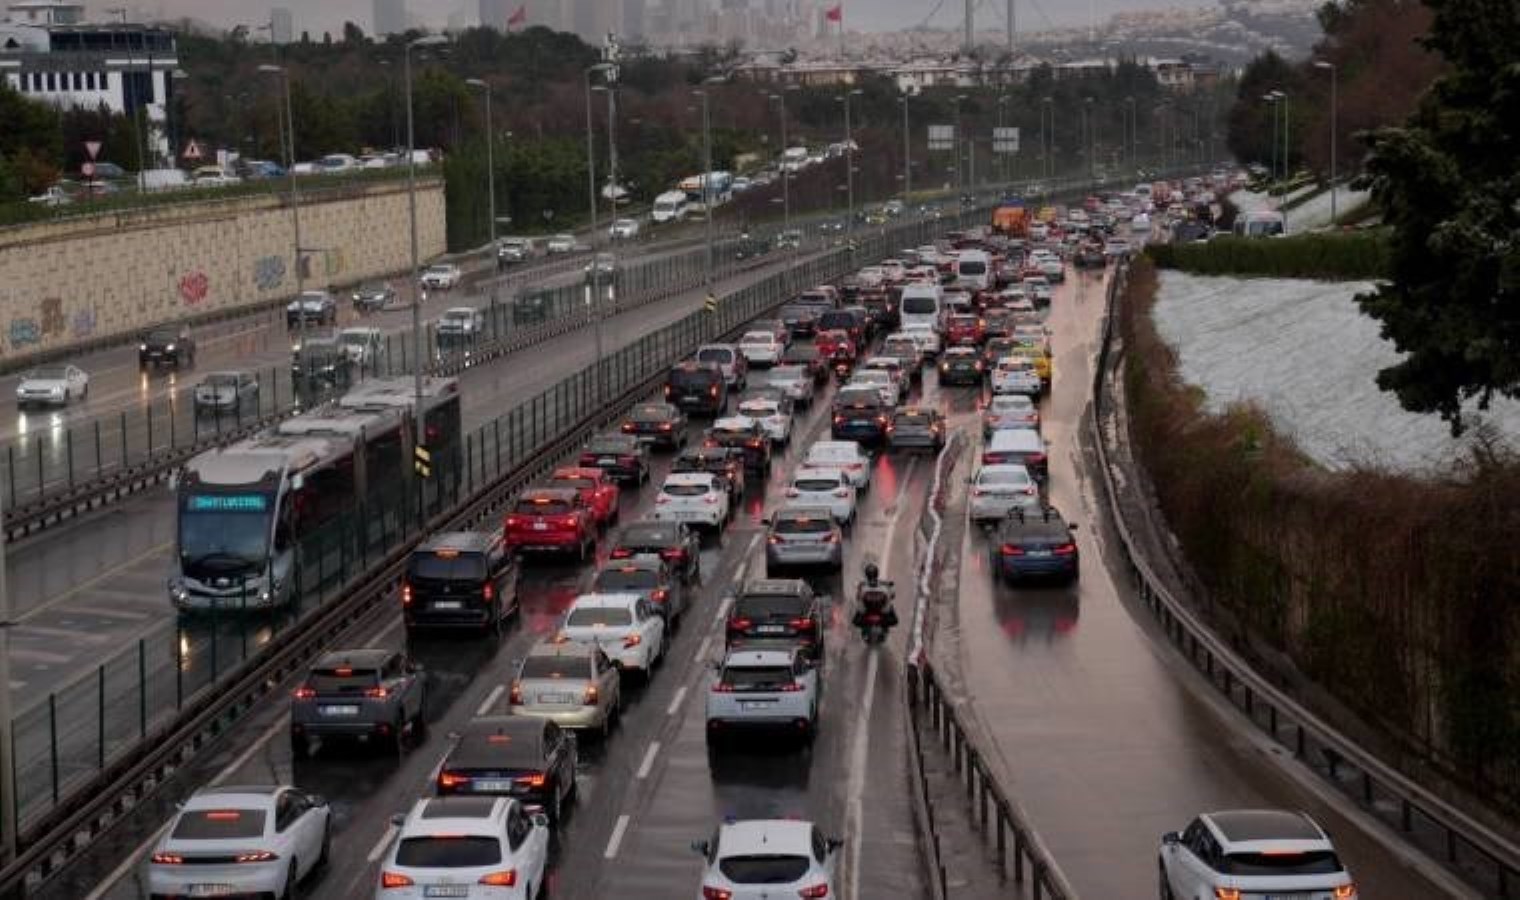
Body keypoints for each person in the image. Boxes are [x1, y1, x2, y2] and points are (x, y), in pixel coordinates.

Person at [852, 560, 899, 630]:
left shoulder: (863, 587)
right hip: (880, 612)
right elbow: (892, 595)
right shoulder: (883, 587)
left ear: (866, 574)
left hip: (868, 612)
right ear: (877, 573)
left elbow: (858, 598)